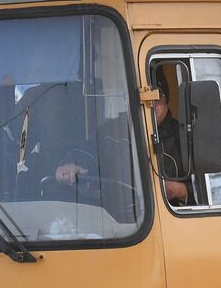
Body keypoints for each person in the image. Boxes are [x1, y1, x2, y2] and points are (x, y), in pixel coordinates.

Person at [54, 71, 190, 205]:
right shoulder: (110, 131)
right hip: (112, 217)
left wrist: (181, 190)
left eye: (158, 98)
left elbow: (205, 188)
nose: (150, 105)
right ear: (128, 101)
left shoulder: (183, 136)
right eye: (140, 98)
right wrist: (70, 163)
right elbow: (86, 153)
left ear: (167, 105)